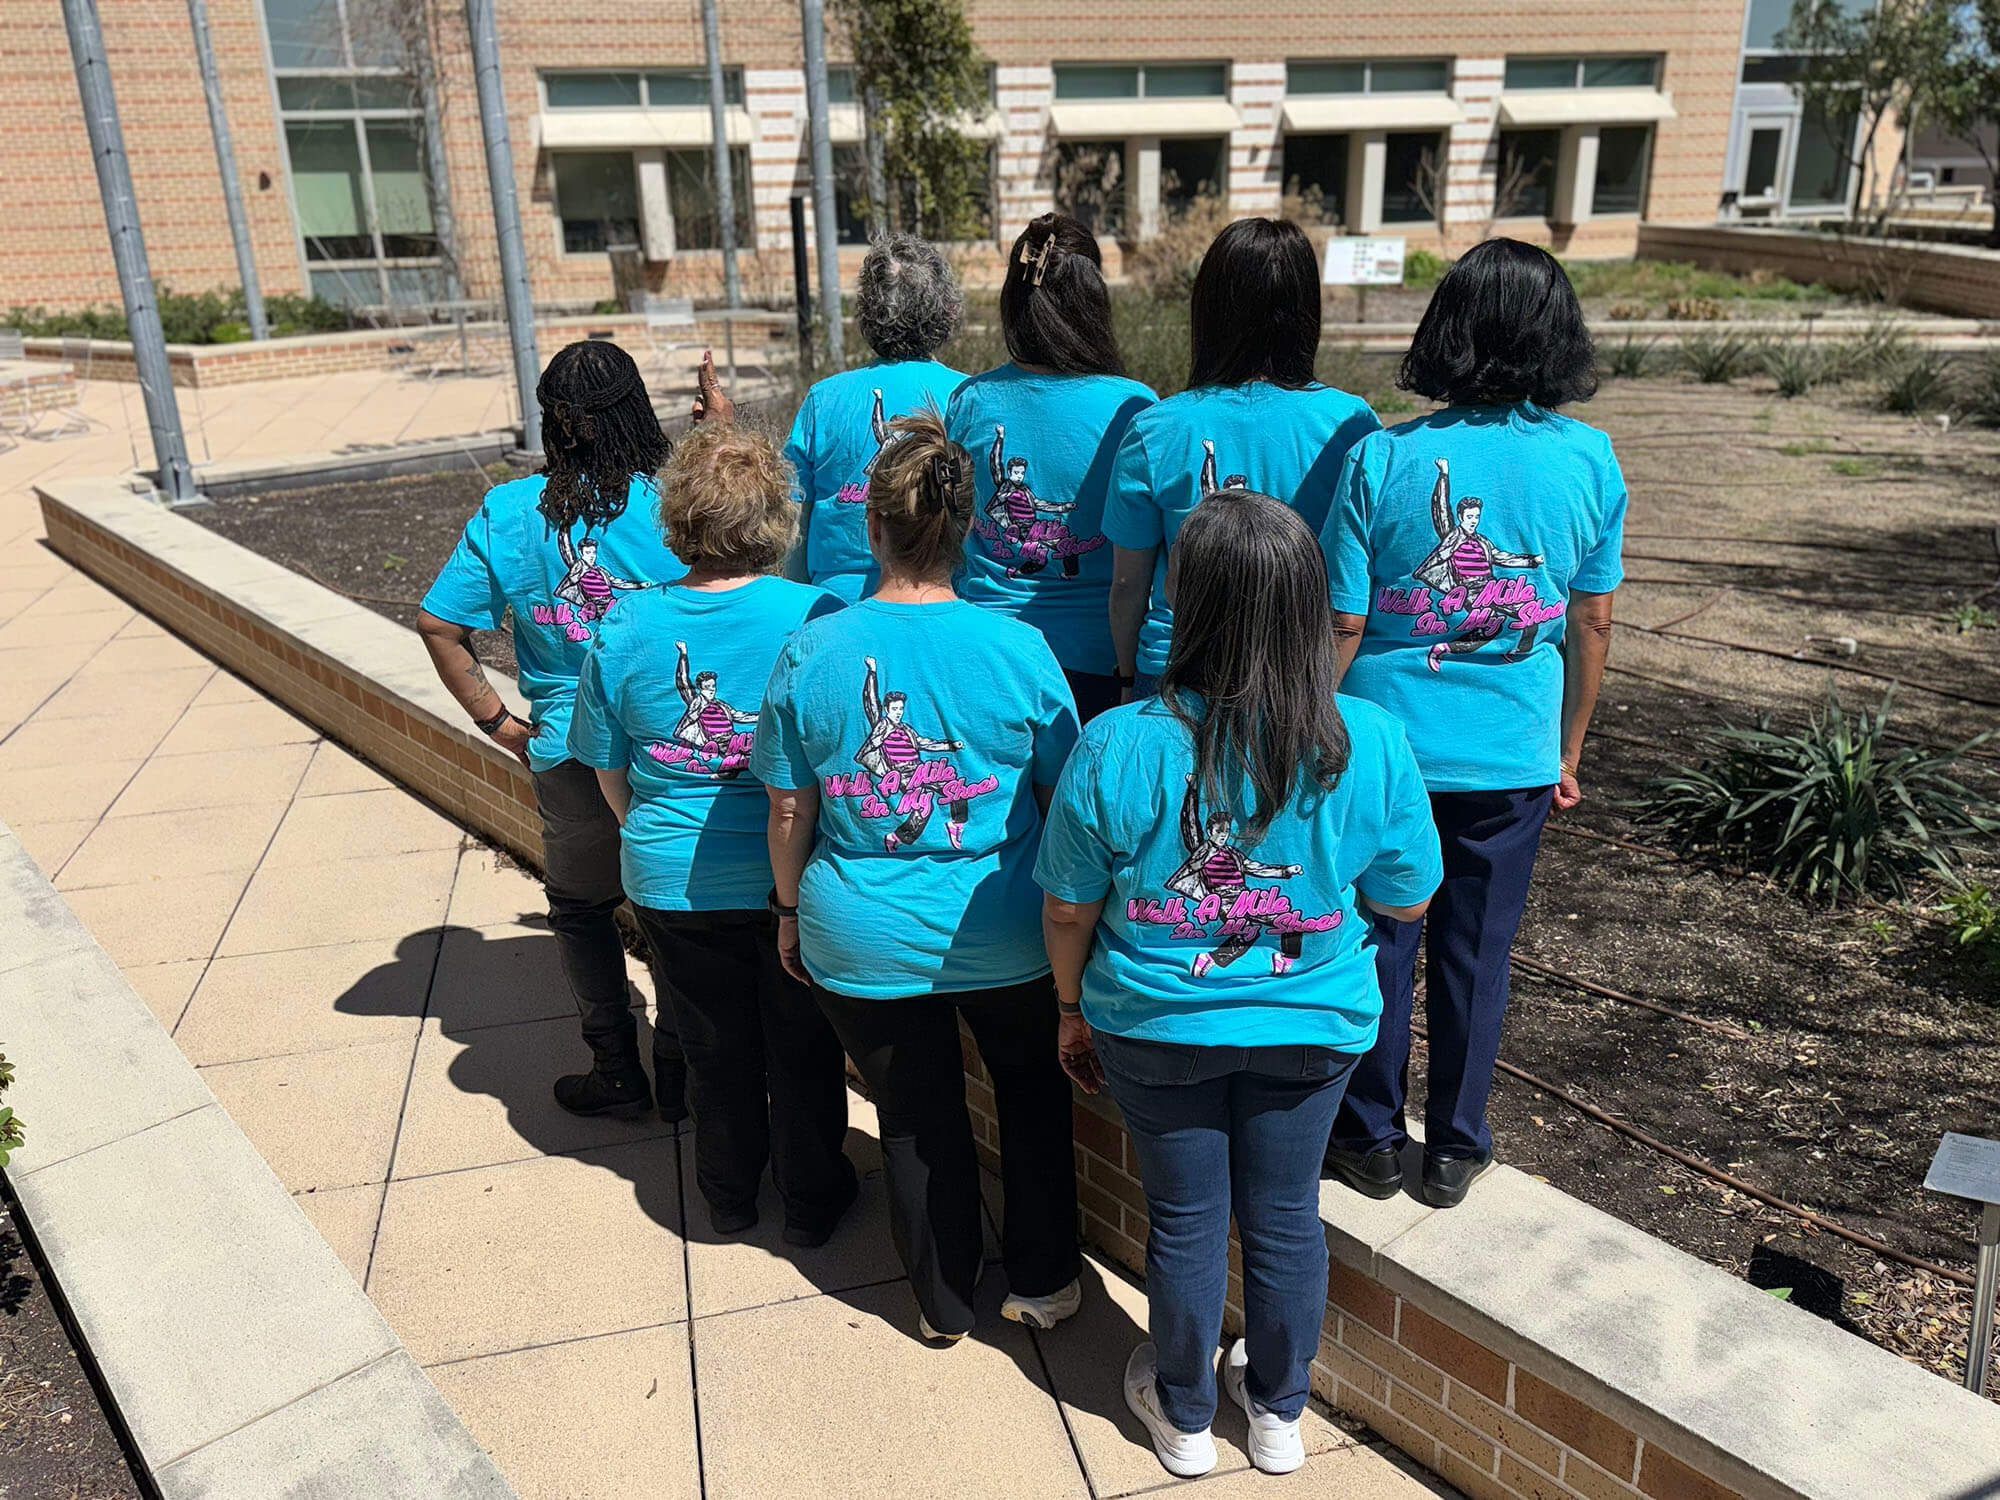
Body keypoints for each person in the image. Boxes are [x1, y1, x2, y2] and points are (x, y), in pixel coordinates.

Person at [1037, 491, 1440, 1480]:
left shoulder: (1117, 742)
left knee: (1182, 1219)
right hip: (1312, 1029)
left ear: (1186, 599)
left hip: (1153, 1025)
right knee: (1283, 1212)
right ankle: (1275, 1414)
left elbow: (1065, 907)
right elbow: (1407, 893)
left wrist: (1065, 1009)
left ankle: (1178, 1419)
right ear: (1310, 604)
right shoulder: (1370, 740)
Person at [754, 409, 1084, 1343]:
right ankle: (1047, 1281)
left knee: (913, 1115)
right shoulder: (1018, 648)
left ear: (870, 526)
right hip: (1009, 928)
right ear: (968, 527)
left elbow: (789, 809)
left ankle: (940, 1305)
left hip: (859, 930)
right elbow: (1064, 791)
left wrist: (788, 912)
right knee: (1029, 1095)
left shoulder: (812, 649)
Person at [1318, 237, 1624, 1209]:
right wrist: (1567, 748)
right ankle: (1452, 1148)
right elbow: (1591, 619)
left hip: (1385, 745)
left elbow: (1345, 617)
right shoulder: (1587, 460)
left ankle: (1365, 1139)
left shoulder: (1380, 455)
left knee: (1376, 941)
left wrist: (1317, 731)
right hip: (1508, 756)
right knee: (1473, 953)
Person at [567, 423, 858, 1244]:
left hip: (671, 876)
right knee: (801, 1048)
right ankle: (811, 1201)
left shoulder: (624, 625)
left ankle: (727, 1197)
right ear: (775, 516)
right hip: (788, 877)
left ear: (676, 516)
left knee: (711, 1047)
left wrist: (648, 830)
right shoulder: (819, 614)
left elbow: (607, 765)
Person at [417, 340, 692, 1120]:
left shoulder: (509, 513)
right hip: (673, 745)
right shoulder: (675, 498)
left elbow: (440, 623)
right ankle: (679, 1069)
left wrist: (500, 722)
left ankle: (616, 1070)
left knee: (581, 909)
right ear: (637, 409)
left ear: (554, 423)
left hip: (570, 746)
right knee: (672, 910)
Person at [1104, 217, 1381, 696]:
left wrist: (1127, 678)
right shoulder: (1352, 424)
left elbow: (1129, 584)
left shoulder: (1156, 428)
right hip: (1300, 671)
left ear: (1208, 310)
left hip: (1177, 669)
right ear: (1306, 311)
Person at [948, 213, 1155, 721]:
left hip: (988, 653)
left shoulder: (970, 401)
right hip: (1103, 660)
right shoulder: (1135, 406)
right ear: (1094, 299)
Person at [784, 233, 967, 601]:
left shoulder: (824, 399)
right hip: (939, 595)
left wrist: (801, 601)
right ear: (946, 309)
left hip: (833, 603)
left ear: (867, 311)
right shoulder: (966, 397)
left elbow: (793, 524)